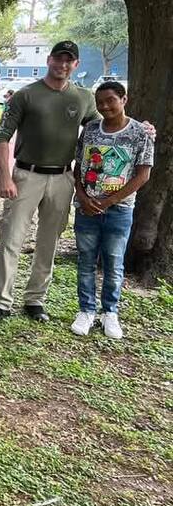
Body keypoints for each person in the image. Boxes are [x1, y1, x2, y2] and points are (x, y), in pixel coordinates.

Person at [0, 40, 97, 324]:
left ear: (76, 65)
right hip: (25, 176)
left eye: (69, 60)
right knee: (11, 239)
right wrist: (6, 177)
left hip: (62, 177)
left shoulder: (83, 98)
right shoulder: (26, 95)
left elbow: (102, 129)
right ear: (49, 60)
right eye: (59, 59)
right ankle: (1, 302)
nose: (63, 64)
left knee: (49, 241)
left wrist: (139, 127)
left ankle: (35, 299)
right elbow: (3, 136)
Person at [70, 82, 153, 339]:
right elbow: (78, 167)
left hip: (119, 211)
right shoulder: (91, 130)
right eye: (100, 102)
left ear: (124, 99)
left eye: (110, 100)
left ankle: (110, 313)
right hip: (86, 210)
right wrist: (83, 197)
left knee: (114, 263)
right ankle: (86, 310)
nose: (105, 106)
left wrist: (108, 202)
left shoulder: (140, 133)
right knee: (85, 261)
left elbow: (142, 175)